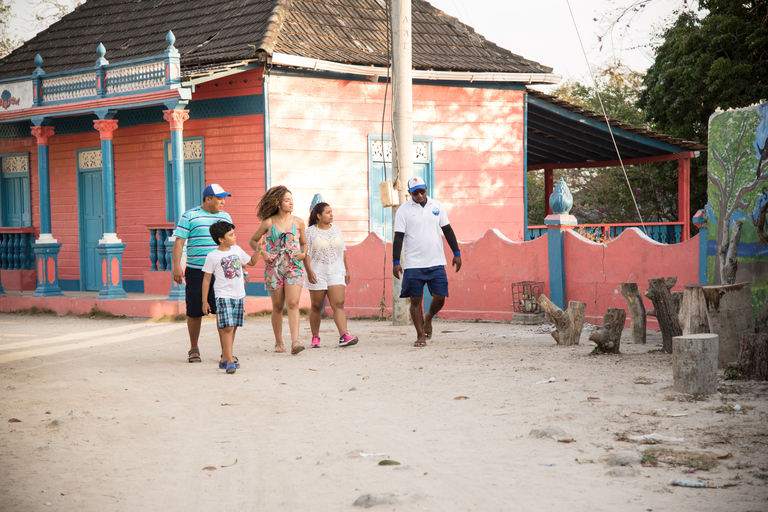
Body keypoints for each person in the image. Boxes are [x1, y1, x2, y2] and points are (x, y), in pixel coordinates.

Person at [392, 176, 462, 347]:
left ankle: (429, 316)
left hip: (436, 261)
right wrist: (395, 261)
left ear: (426, 188)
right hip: (414, 264)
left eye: (423, 190)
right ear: (409, 193)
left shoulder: (437, 206)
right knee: (415, 301)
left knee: (440, 297)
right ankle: (420, 335)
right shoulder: (403, 210)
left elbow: (447, 230)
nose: (420, 194)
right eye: (416, 192)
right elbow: (399, 237)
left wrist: (456, 252)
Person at [172, 183, 232, 363]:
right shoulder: (190, 216)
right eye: (219, 198)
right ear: (207, 199)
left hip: (221, 271)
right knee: (194, 311)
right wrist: (176, 266)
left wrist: (240, 268)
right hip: (196, 271)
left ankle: (226, 352)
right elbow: (180, 242)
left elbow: (230, 242)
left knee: (222, 310)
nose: (223, 202)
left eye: (224, 198)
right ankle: (194, 348)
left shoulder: (225, 216)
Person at [249, 185, 308, 355]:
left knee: (293, 303)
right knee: (277, 306)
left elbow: (303, 243)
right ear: (278, 202)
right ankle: (279, 341)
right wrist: (263, 252)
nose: (291, 203)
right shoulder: (269, 222)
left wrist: (303, 253)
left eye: (292, 199)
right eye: (287, 200)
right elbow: (253, 241)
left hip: (294, 265)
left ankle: (295, 342)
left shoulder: (299, 222)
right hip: (274, 267)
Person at [201, 221, 259, 374]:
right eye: (231, 235)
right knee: (226, 328)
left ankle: (224, 359)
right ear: (221, 239)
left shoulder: (237, 250)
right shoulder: (212, 256)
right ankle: (230, 361)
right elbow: (206, 279)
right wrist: (204, 301)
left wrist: (259, 249)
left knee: (232, 328)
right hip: (223, 295)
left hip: (239, 295)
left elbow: (251, 262)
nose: (235, 236)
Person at [304, 202, 359, 348]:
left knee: (338, 304)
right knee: (316, 306)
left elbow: (343, 251)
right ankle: (315, 338)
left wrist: (346, 270)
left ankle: (344, 336)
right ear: (319, 216)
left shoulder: (336, 229)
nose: (331, 214)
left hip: (336, 271)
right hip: (317, 273)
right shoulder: (310, 232)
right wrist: (309, 271)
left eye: (331, 212)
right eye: (328, 212)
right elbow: (306, 254)